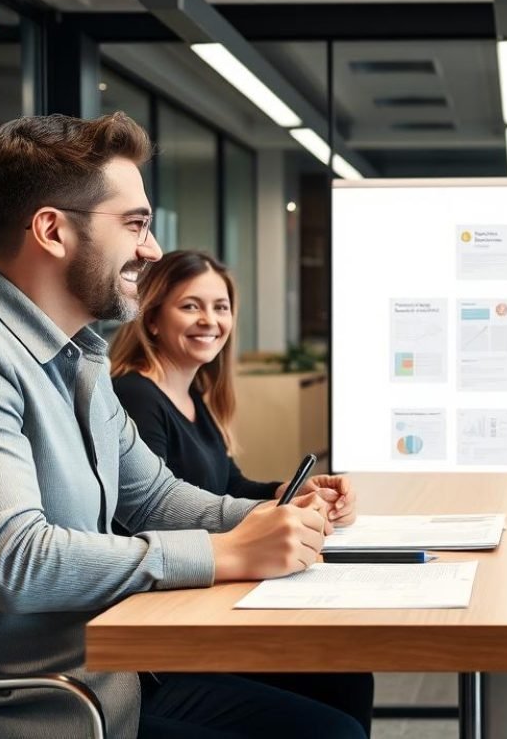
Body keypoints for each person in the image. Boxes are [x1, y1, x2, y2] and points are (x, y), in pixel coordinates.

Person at [0, 112, 365, 739]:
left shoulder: (80, 358)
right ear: (51, 230)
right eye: (136, 225)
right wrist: (226, 552)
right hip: (21, 710)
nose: (150, 250)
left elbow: (155, 497)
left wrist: (272, 513)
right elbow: (20, 562)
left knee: (338, 687)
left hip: (108, 677)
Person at [108, 249, 373, 733]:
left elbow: (229, 486)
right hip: (175, 617)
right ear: (151, 319)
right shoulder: (135, 397)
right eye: (191, 306)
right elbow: (149, 513)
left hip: (208, 598)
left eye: (220, 306)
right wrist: (268, 521)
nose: (210, 320)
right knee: (338, 699)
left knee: (347, 674)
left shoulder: (193, 395)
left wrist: (295, 494)